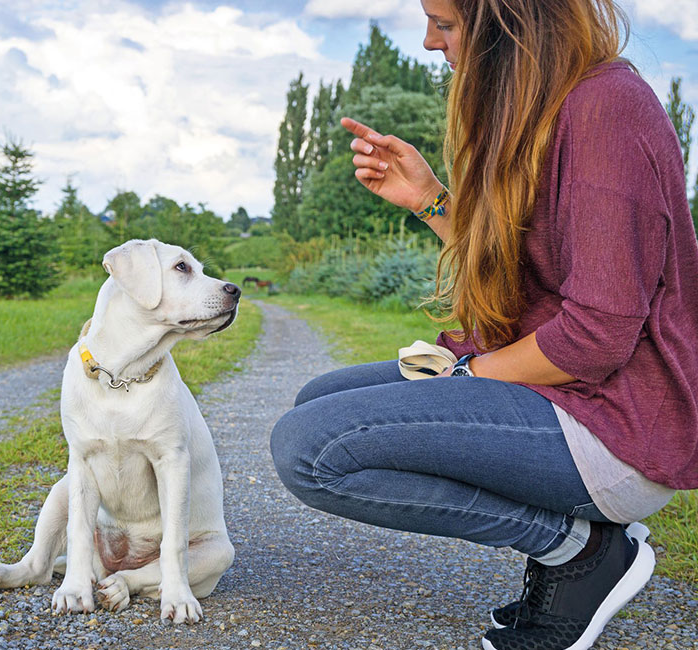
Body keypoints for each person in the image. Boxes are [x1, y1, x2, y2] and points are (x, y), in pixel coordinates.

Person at [269, 1, 698, 649]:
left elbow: (597, 334)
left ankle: (577, 550)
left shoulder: (608, 109)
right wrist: (432, 200)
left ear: (508, 20)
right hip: (562, 397)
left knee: (310, 449)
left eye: (444, 23)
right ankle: (577, 550)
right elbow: (523, 281)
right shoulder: (549, 109)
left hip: (613, 427)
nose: (428, 41)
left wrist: (467, 373)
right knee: (318, 403)